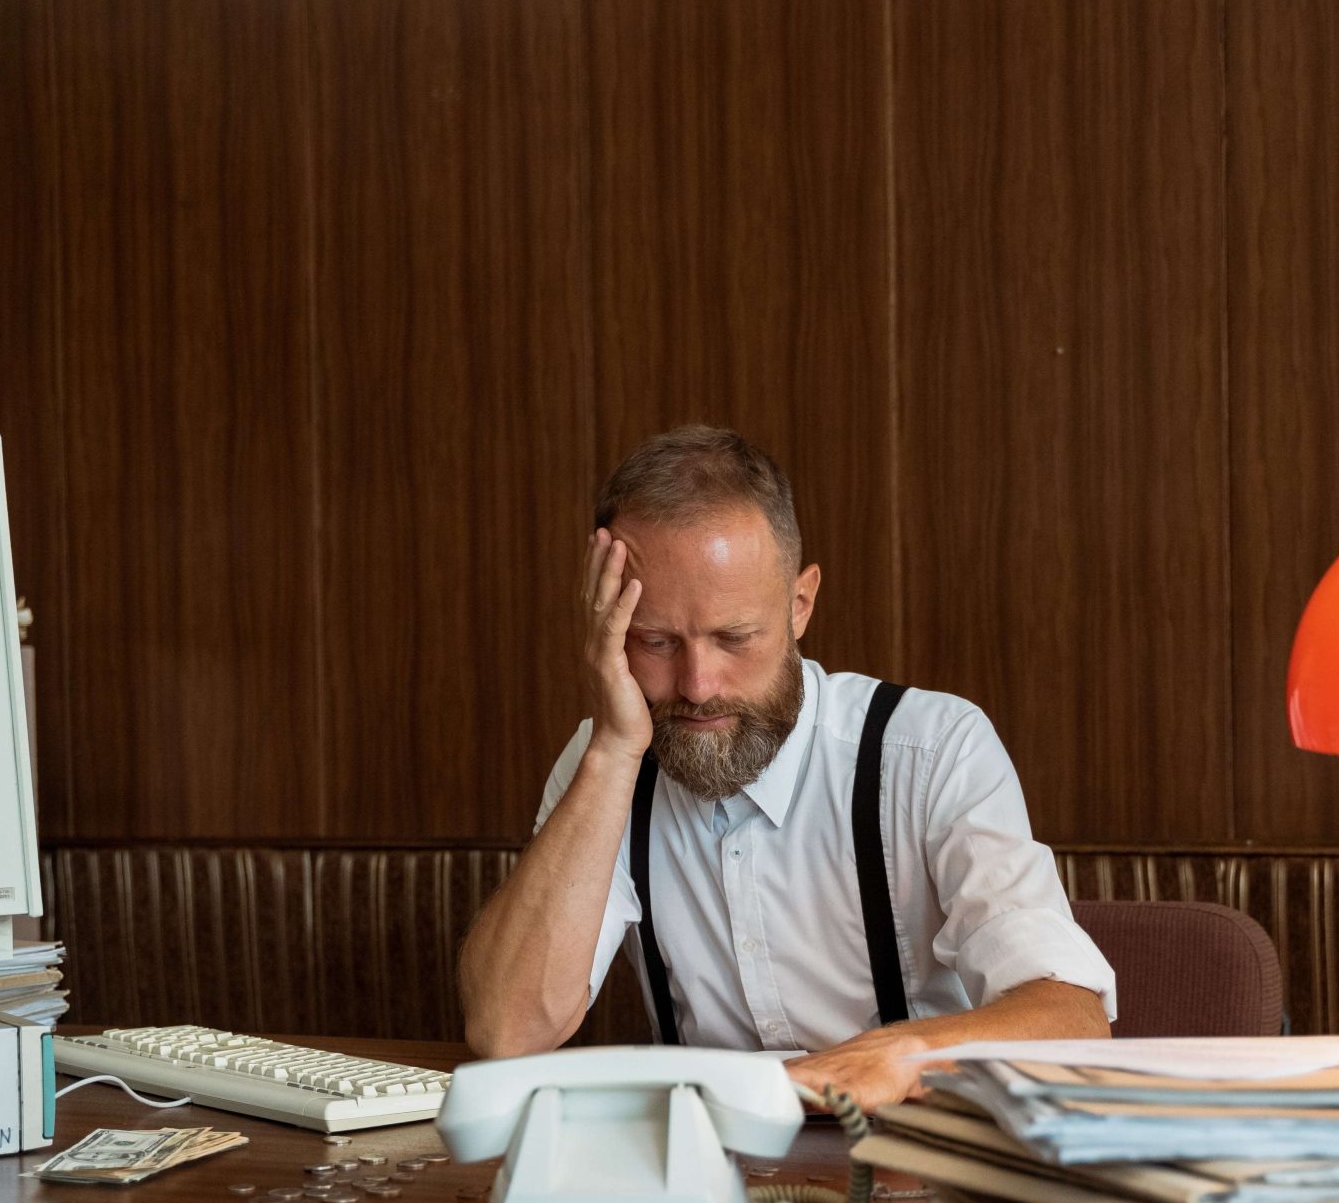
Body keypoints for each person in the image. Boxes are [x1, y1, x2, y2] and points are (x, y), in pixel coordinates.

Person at [457, 425, 1114, 1112]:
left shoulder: (932, 750)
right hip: (702, 1174)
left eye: (734, 637)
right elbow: (507, 1031)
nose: (698, 683)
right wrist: (611, 754)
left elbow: (1073, 1022)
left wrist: (894, 1054)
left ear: (800, 606)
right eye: (654, 641)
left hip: (917, 1171)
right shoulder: (606, 763)